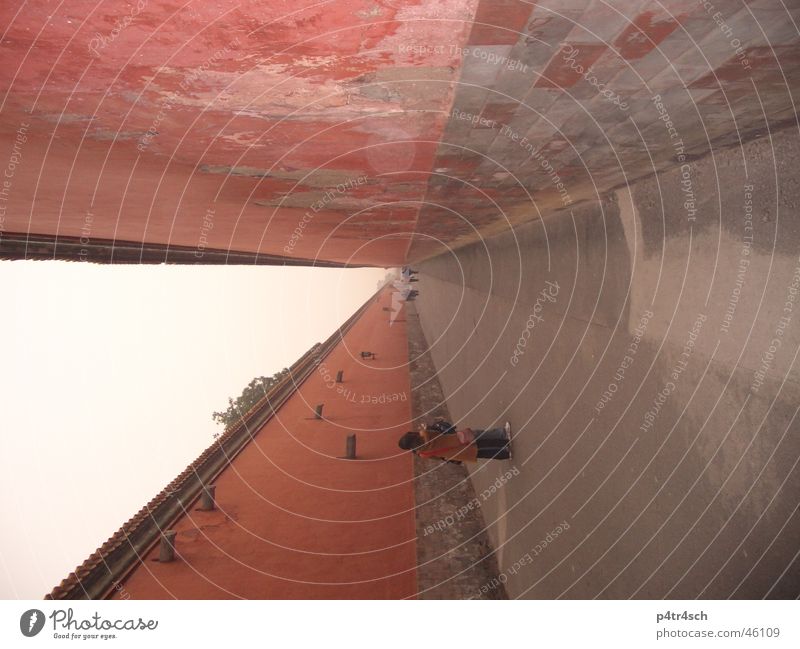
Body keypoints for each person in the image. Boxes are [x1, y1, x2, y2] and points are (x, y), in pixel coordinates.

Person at [398, 419, 512, 463]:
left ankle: (505, 454)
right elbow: (437, 432)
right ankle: (504, 438)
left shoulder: (422, 454)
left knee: (482, 453)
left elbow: (438, 458)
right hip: (458, 440)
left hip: (457, 453)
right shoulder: (425, 434)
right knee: (480, 439)